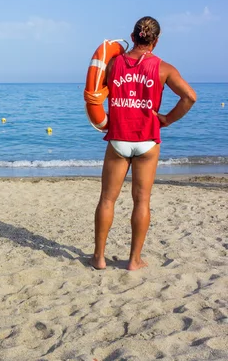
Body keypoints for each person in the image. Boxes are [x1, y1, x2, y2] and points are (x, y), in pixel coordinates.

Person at [91, 16, 196, 271]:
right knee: (142, 202)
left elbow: (95, 90)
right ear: (155, 41)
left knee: (107, 199)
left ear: (133, 35)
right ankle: (134, 260)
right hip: (147, 141)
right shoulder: (163, 68)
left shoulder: (114, 63)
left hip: (118, 139)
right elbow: (190, 97)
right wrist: (167, 120)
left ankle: (99, 258)